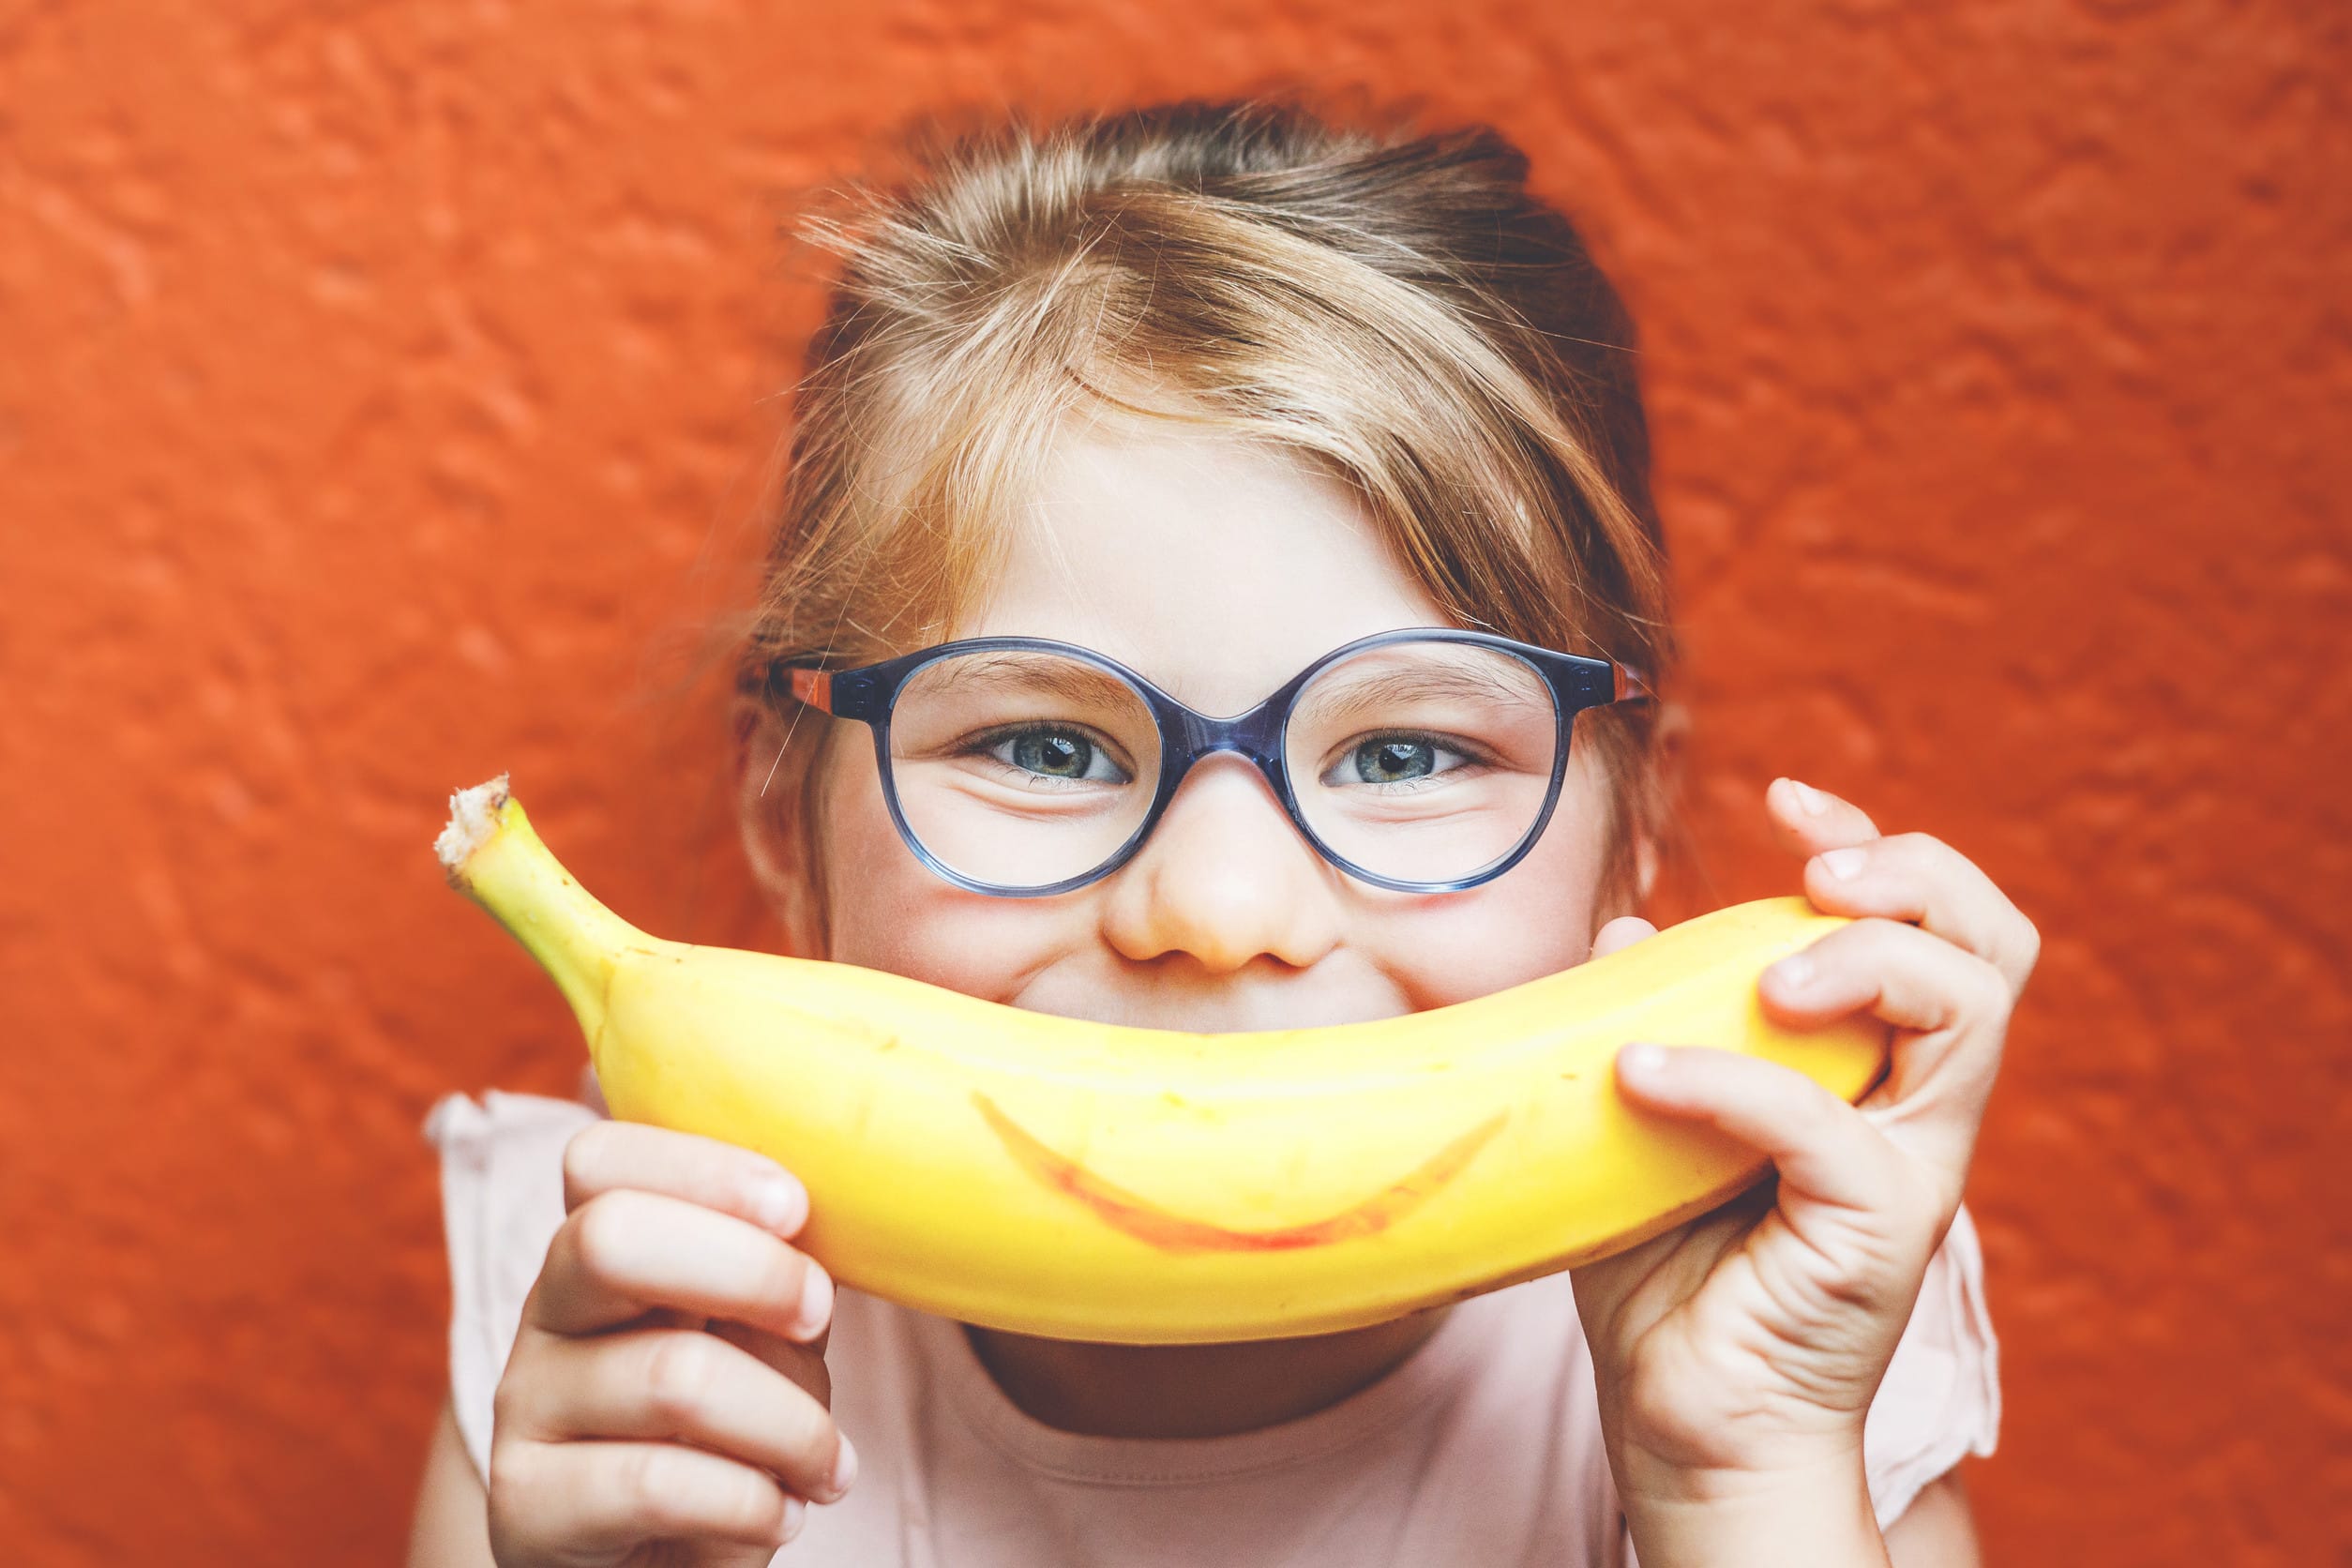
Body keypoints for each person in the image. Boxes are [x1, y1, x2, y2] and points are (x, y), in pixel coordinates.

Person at [406, 96, 2029, 1567]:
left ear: (1632, 827)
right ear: (786, 812)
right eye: (1044, 743)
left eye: (1404, 751)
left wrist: (1738, 1490)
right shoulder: (623, 1326)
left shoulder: (1784, 1350)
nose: (1218, 904)